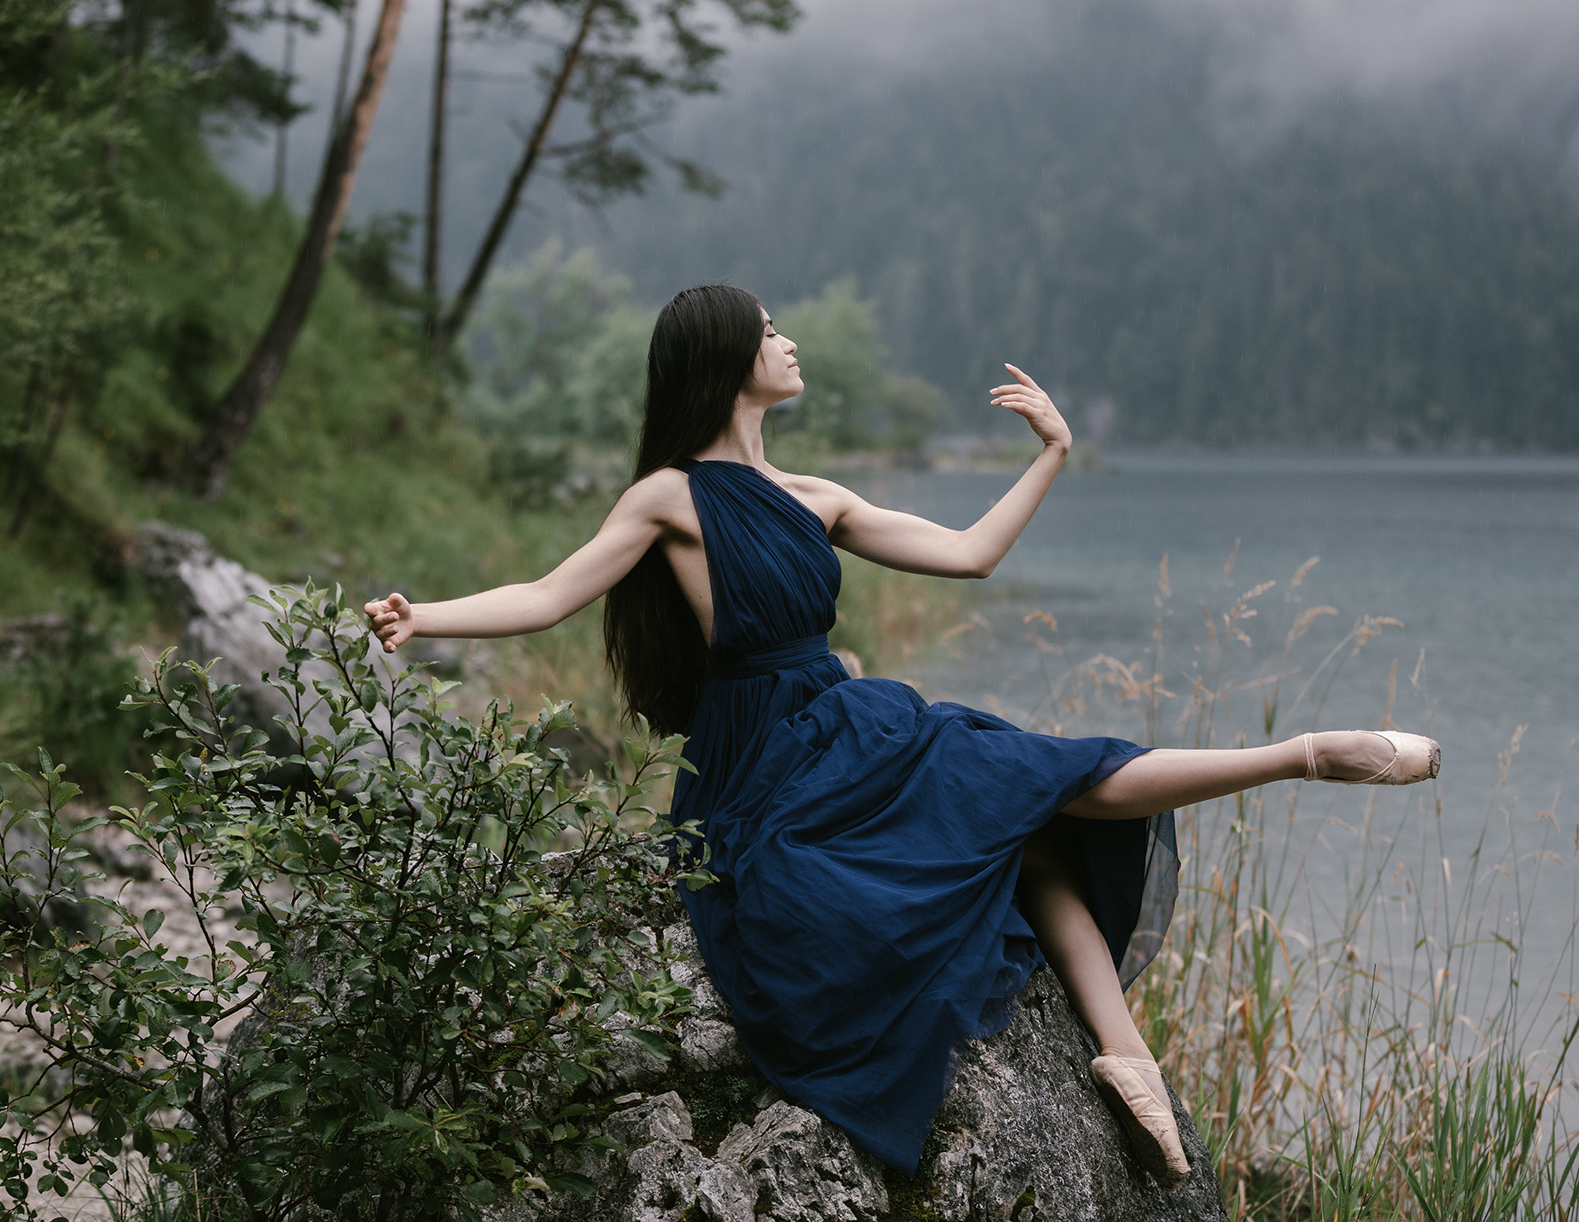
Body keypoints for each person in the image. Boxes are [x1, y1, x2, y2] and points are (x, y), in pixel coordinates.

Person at [364, 283, 1439, 1189]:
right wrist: (427, 618)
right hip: (761, 766)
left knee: (1028, 802)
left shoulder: (817, 495)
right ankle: (1300, 756)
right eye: (773, 328)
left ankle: (1129, 1047)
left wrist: (1053, 453)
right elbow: (550, 593)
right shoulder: (669, 498)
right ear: (729, 359)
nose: (790, 342)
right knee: (1019, 807)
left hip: (843, 719)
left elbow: (970, 556)